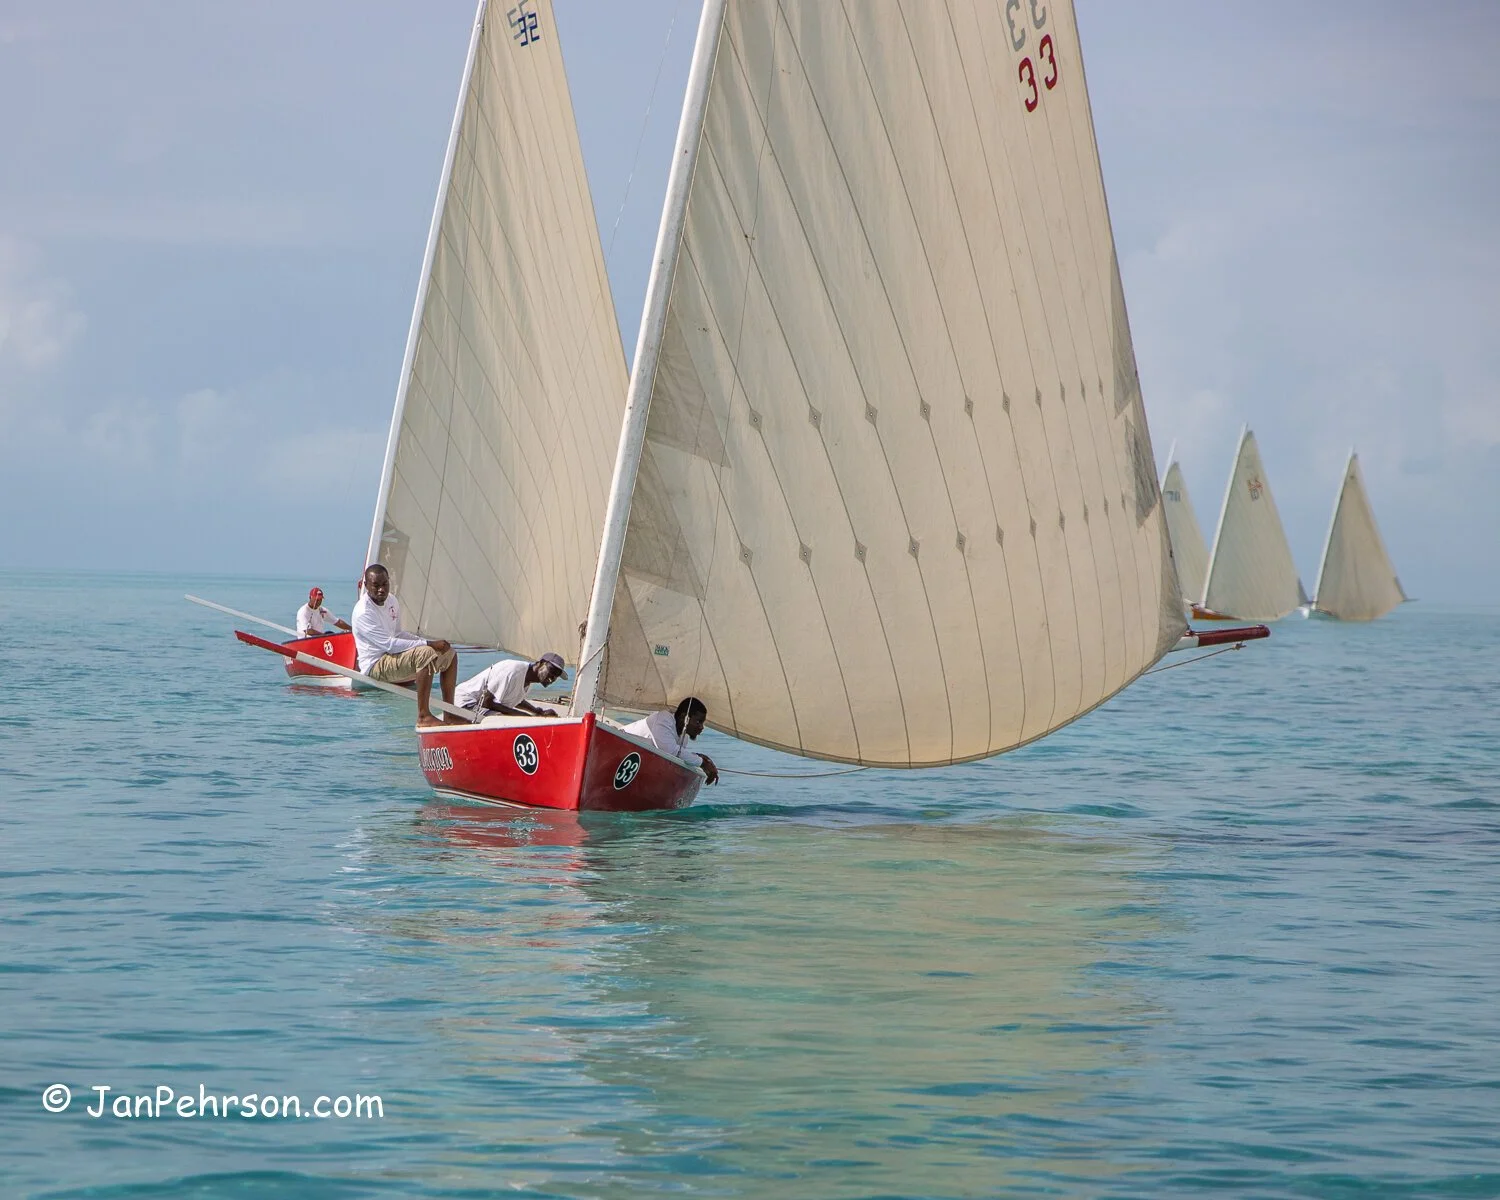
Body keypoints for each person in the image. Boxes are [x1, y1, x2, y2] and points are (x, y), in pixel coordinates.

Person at [351, 564, 458, 727]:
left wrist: (431, 643)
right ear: (366, 585)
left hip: (392, 656)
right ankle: (423, 716)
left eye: (384, 584)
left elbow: (398, 634)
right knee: (425, 653)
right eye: (376, 585)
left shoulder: (392, 600)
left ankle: (450, 715)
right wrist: (428, 644)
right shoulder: (363, 612)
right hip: (376, 664)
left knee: (449, 653)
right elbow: (389, 644)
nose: (381, 590)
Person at [622, 697, 719, 785]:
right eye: (698, 722)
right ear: (684, 718)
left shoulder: (683, 738)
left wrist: (699, 757)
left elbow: (677, 756)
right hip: (621, 744)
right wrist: (702, 763)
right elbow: (668, 750)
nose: (701, 727)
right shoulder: (664, 718)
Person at [456, 653, 567, 717]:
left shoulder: (527, 679)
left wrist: (537, 712)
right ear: (541, 663)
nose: (553, 678)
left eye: (557, 675)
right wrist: (523, 716)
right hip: (465, 703)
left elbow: (516, 700)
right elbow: (486, 701)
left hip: (478, 705)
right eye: (552, 671)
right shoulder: (513, 671)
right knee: (505, 720)